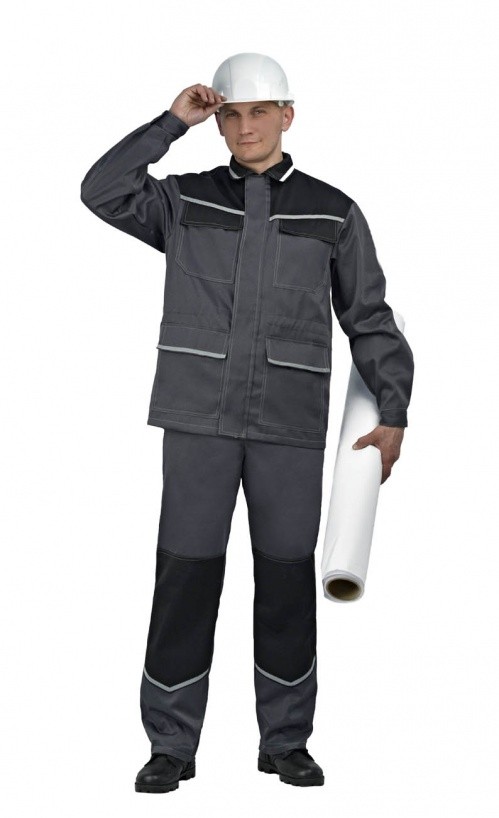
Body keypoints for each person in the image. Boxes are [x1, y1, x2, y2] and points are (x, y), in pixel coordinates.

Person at [80, 52, 414, 793]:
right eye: (231, 114)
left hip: (287, 423)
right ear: (218, 120)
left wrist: (393, 410)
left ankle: (285, 741)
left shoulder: (331, 212)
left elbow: (368, 316)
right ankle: (171, 745)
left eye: (260, 112)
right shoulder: (183, 202)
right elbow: (100, 189)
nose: (245, 127)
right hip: (198, 418)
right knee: (185, 579)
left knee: (287, 582)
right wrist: (171, 123)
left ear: (288, 116)